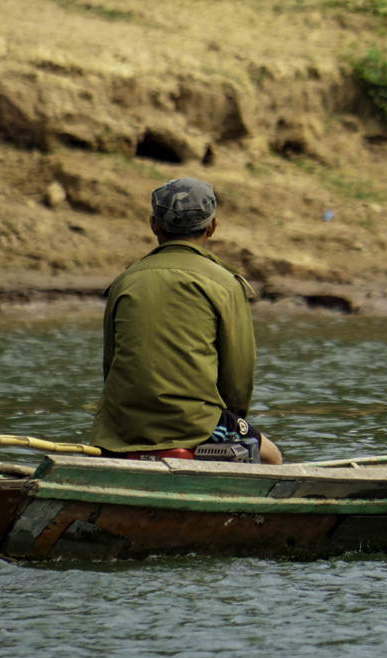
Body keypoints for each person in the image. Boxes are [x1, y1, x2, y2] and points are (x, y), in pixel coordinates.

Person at [90, 177, 283, 464]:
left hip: (121, 428)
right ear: (212, 226)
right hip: (196, 424)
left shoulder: (125, 281)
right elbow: (239, 373)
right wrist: (233, 418)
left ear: (154, 225)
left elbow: (111, 365)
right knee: (272, 458)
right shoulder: (224, 283)